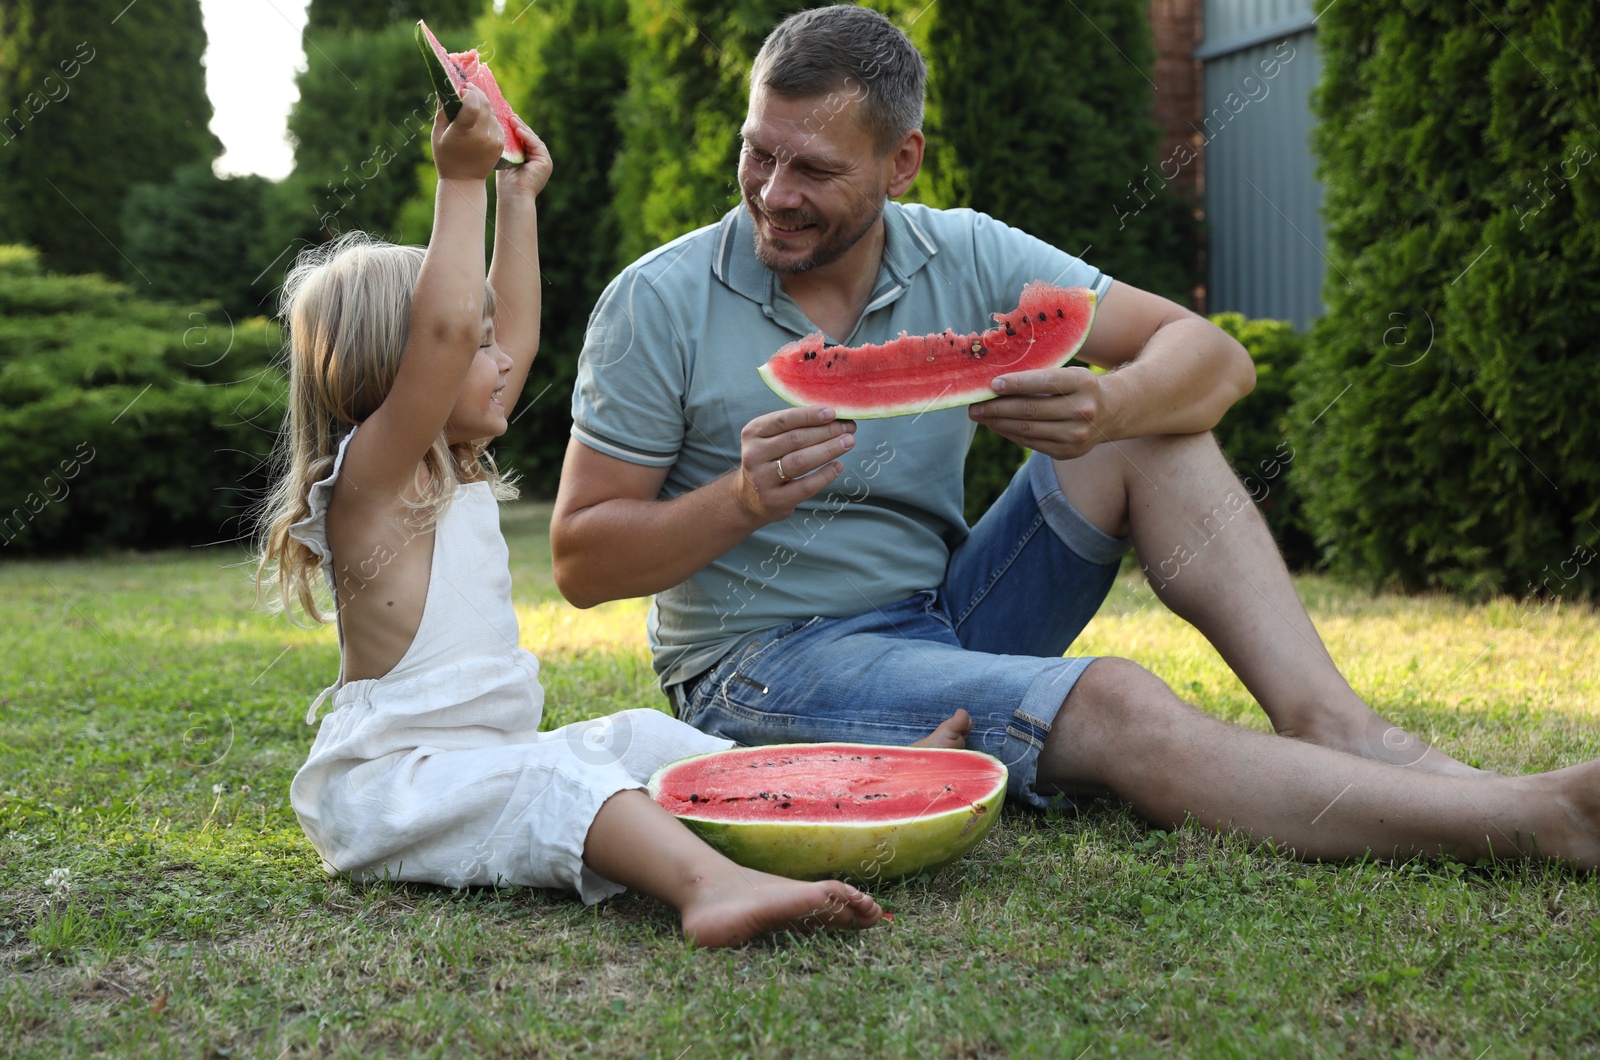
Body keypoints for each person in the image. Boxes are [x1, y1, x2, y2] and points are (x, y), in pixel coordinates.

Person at [552, 4, 1600, 870]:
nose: (774, 196)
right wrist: (737, 501)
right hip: (760, 667)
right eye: (758, 153)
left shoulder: (963, 250)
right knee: (1113, 698)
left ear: (901, 161)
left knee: (1160, 426)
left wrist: (1112, 408)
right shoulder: (657, 302)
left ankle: (1336, 722)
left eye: (815, 170)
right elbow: (581, 559)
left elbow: (1213, 359)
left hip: (938, 612)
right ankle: (1529, 822)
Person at [253, 87, 886, 947]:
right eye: (478, 349)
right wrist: (461, 180)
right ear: (403, 372)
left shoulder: (451, 463)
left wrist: (516, 201)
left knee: (649, 736)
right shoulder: (372, 489)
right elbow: (446, 335)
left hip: (485, 759)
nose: (503, 360)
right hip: (397, 788)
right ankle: (711, 887)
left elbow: (486, 329)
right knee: (562, 776)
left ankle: (849, 786)